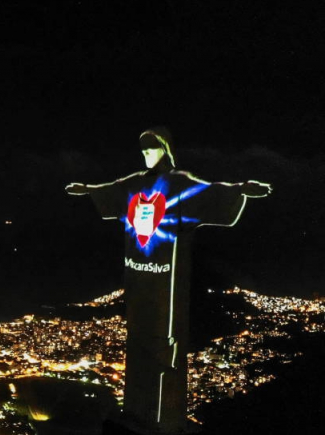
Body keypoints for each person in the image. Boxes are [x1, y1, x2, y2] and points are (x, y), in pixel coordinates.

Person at [66, 127, 270, 433]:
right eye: (143, 151)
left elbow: (212, 191)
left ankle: (161, 420)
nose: (147, 155)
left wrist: (240, 189)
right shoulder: (135, 183)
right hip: (138, 281)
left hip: (165, 283)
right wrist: (88, 189)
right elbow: (110, 189)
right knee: (137, 343)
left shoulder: (178, 184)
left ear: (166, 150)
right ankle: (135, 412)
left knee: (164, 347)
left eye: (152, 149)